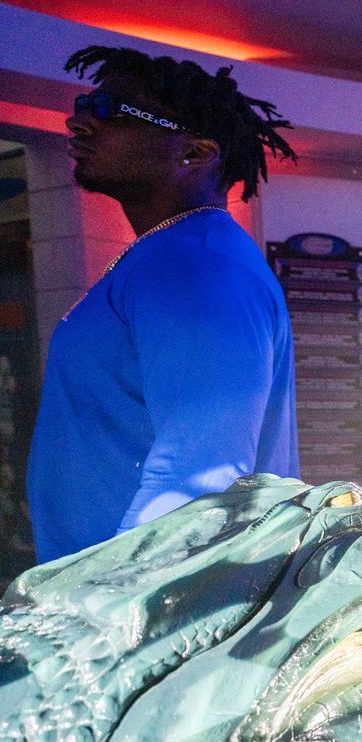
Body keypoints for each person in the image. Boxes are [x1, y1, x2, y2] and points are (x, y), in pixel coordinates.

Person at [29, 46, 299, 562]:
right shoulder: (170, 255)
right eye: (86, 103)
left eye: (110, 109)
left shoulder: (197, 265)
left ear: (194, 153)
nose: (79, 121)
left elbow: (201, 475)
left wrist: (111, 605)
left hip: (137, 614)